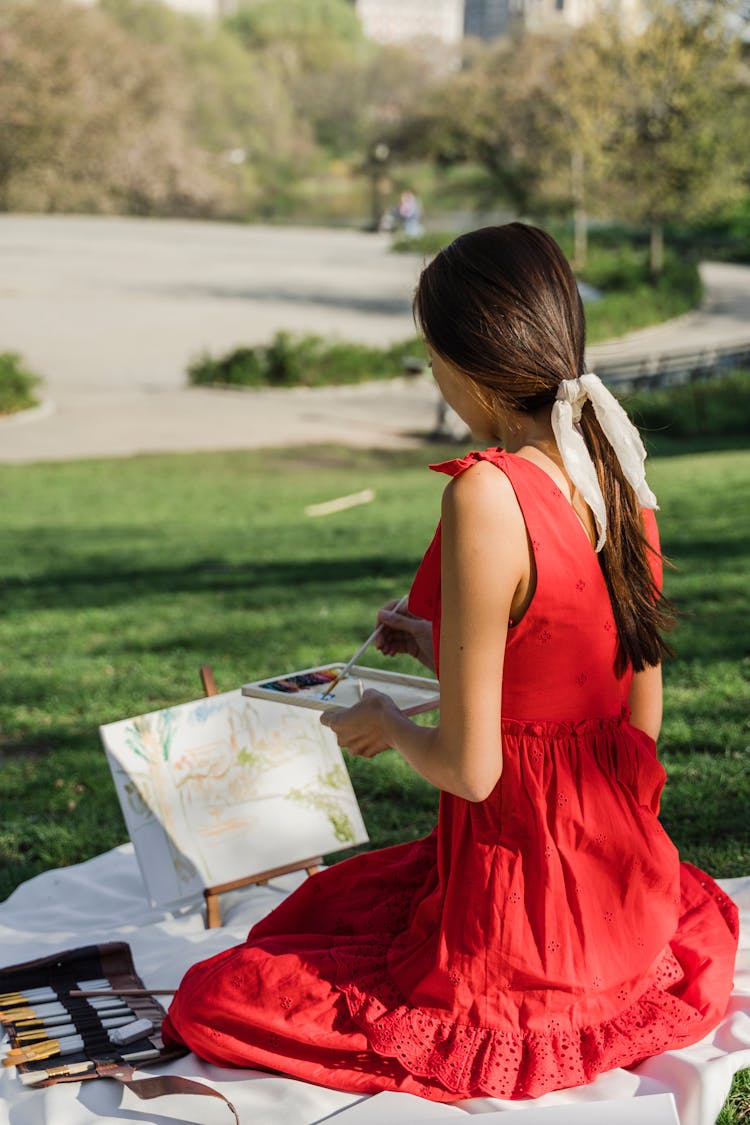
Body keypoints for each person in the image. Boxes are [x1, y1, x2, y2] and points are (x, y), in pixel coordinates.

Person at [162, 224, 738, 1101]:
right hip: (622, 882)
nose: (435, 378)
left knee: (217, 998)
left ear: (469, 364)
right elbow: (624, 705)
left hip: (520, 908)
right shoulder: (617, 469)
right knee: (323, 913)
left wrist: (387, 724)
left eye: (433, 359)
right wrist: (442, 644)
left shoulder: (486, 491)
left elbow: (472, 771)